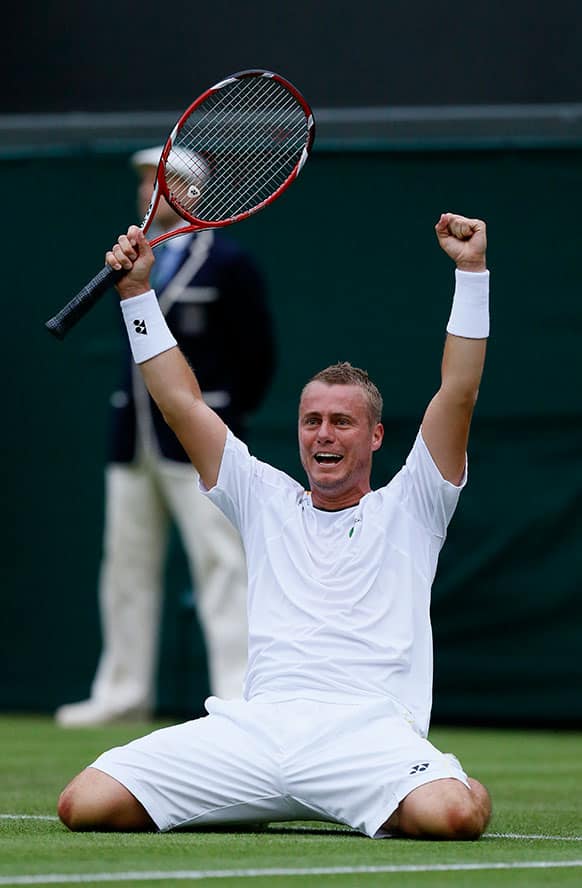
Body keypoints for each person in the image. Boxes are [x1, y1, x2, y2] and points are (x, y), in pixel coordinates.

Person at [58, 211, 492, 839]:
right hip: (254, 735)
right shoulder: (263, 497)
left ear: (373, 436)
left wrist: (472, 274)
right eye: (311, 419)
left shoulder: (414, 503)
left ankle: (451, 780)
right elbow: (181, 403)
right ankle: (263, 796)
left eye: (341, 421)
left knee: (453, 816)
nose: (323, 433)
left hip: (366, 739)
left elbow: (459, 391)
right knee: (86, 804)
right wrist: (135, 295)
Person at [56, 146, 276, 726]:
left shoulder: (230, 264)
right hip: (134, 437)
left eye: (164, 181)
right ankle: (123, 692)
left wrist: (220, 419)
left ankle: (238, 696)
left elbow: (259, 356)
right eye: (146, 182)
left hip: (201, 442)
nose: (149, 191)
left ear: (193, 194)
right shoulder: (130, 259)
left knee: (222, 564)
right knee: (125, 565)